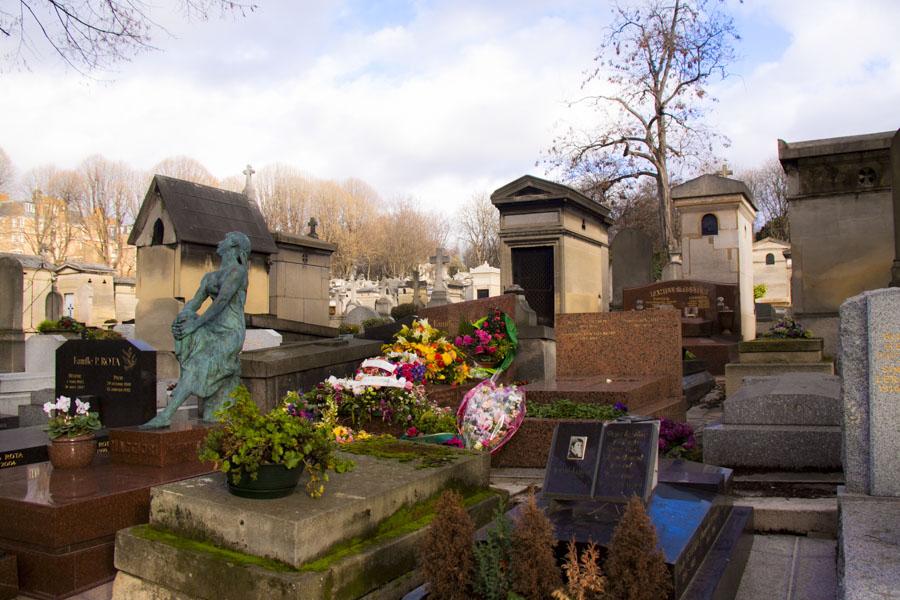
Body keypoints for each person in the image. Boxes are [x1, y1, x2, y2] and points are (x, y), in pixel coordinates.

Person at [141, 231, 250, 428]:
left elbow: (222, 301)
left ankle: (166, 414)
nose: (220, 240)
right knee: (186, 320)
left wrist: (196, 324)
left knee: (198, 364)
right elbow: (195, 303)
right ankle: (193, 394)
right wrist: (183, 318)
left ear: (234, 247)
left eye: (225, 239)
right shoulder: (210, 278)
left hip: (229, 332)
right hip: (210, 328)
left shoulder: (238, 272)